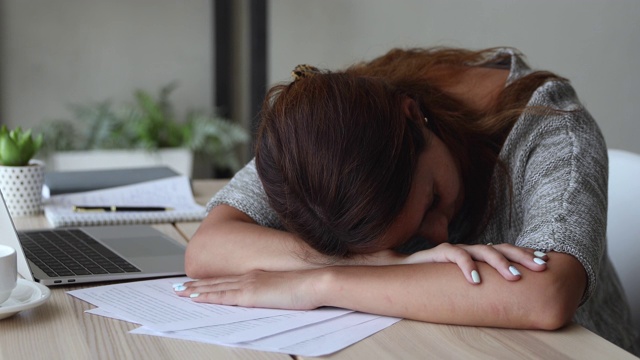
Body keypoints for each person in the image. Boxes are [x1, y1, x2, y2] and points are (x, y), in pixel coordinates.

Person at [175, 47, 638, 355]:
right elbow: (210, 248)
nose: (438, 236)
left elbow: (545, 294)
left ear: (415, 116)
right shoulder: (330, 129)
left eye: (432, 199)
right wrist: (384, 264)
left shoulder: (550, 125)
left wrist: (320, 284)